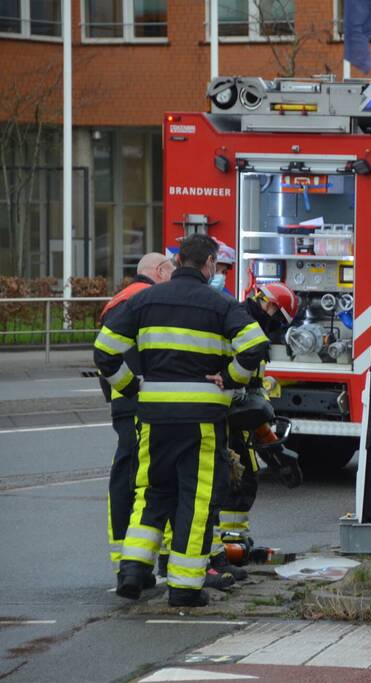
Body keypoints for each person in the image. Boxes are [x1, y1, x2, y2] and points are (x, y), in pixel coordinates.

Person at [94, 234, 270, 607]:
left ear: (176, 264)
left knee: (152, 492)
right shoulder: (219, 303)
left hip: (154, 416)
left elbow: (104, 351)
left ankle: (132, 570)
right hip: (201, 419)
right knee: (196, 498)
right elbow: (256, 345)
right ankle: (185, 587)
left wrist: (131, 387)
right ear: (208, 263)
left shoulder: (143, 299)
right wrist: (231, 376)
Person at [210, 282, 300, 581]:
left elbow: (253, 386)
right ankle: (226, 545)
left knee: (242, 476)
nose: (276, 327)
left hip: (234, 417)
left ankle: (232, 541)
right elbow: (234, 380)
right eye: (278, 320)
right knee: (234, 479)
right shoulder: (243, 325)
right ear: (271, 306)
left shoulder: (246, 324)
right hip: (222, 415)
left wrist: (270, 442)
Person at [101, 253, 175, 593]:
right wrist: (134, 389)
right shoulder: (142, 300)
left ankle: (133, 564)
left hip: (126, 401)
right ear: (159, 271)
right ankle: (132, 566)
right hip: (140, 402)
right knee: (141, 479)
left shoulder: (122, 299)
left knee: (136, 476)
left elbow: (109, 356)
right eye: (171, 272)